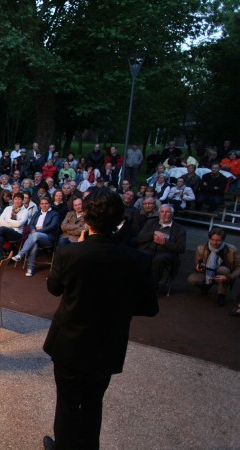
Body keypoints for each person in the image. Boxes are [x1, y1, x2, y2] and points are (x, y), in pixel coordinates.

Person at [42, 187, 158, 450]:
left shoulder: (70, 253)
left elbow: (54, 288)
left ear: (87, 219)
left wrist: (79, 253)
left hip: (69, 343)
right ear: (119, 220)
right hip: (107, 344)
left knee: (68, 403)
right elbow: (149, 307)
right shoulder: (138, 260)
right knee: (94, 402)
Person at [187, 227, 240, 306]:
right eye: (212, 239)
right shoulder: (201, 248)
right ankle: (206, 286)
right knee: (191, 279)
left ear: (223, 240)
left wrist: (229, 277)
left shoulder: (232, 250)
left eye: (218, 240)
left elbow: (238, 268)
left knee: (223, 270)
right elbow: (196, 265)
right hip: (206, 273)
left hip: (223, 274)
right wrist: (198, 267)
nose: (214, 243)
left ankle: (221, 295)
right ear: (209, 238)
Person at [136, 204, 187, 285]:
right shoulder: (151, 222)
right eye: (162, 212)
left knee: (158, 261)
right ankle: (137, 283)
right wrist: (153, 233)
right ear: (159, 213)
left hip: (166, 253)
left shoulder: (180, 229)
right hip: (148, 249)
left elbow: (181, 248)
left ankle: (151, 286)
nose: (164, 214)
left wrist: (165, 243)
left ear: (172, 214)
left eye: (167, 212)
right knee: (141, 256)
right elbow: (139, 238)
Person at [12, 197, 60, 277]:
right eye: (42, 204)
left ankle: (20, 254)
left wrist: (37, 231)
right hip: (34, 237)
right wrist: (33, 230)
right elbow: (30, 224)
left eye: (46, 203)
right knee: (34, 244)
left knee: (35, 235)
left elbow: (52, 226)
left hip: (48, 237)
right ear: (39, 205)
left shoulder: (54, 214)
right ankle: (30, 269)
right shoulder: (37, 213)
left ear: (49, 204)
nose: (44, 205)